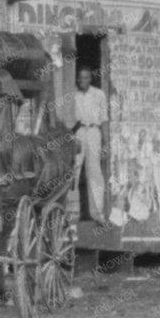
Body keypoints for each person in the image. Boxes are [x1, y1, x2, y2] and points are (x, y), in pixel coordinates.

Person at [71, 65, 108, 222]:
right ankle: (73, 212)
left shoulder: (99, 94)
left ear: (90, 78)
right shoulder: (72, 94)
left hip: (94, 131)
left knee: (95, 172)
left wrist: (106, 142)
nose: (82, 80)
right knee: (75, 168)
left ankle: (97, 212)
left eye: (86, 77)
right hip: (78, 131)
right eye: (80, 77)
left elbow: (104, 118)